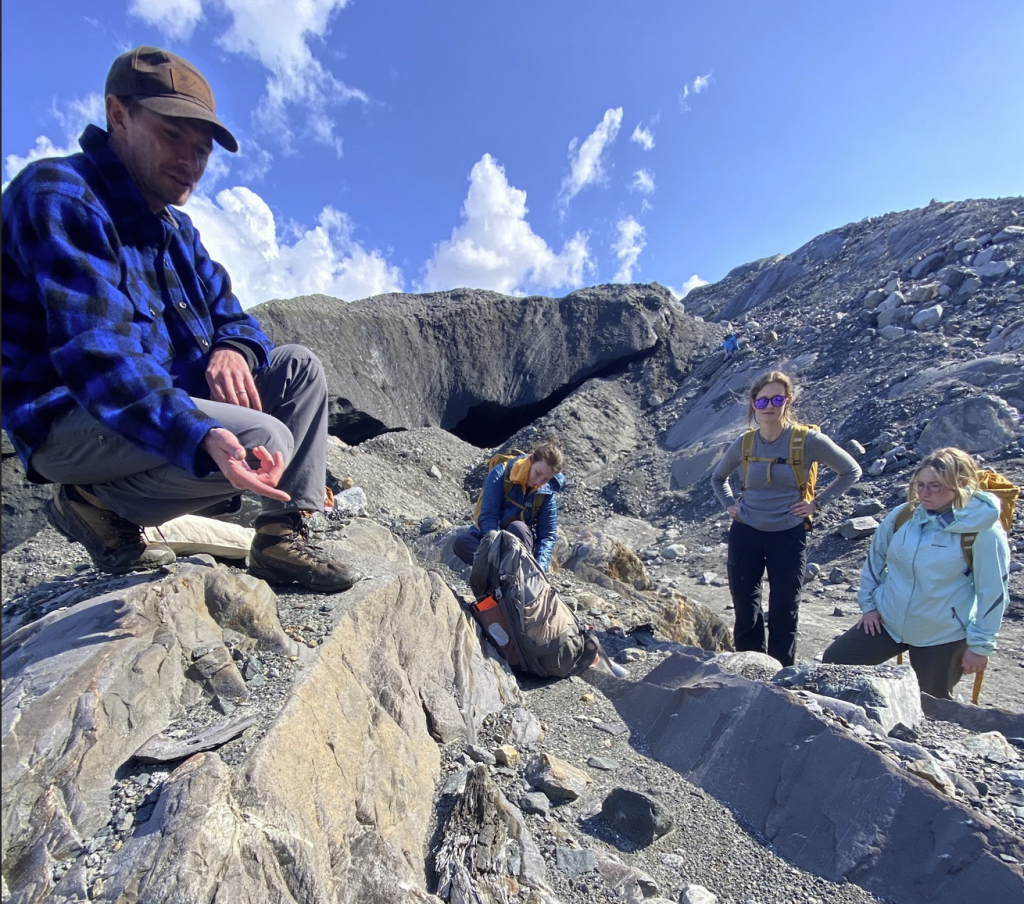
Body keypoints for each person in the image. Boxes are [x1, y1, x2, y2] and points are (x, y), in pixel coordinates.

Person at [2, 46, 358, 592]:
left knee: (299, 369)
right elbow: (99, 358)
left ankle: (280, 535)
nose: (191, 163)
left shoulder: (177, 231)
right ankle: (92, 498)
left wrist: (232, 348)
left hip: (150, 406)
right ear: (119, 114)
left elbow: (234, 316)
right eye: (173, 136)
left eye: (202, 151)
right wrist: (198, 431)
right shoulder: (60, 196)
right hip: (69, 415)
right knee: (265, 435)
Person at [823, 448, 1010, 699]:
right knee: (835, 662)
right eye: (919, 484)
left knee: (931, 703)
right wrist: (869, 606)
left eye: (935, 485)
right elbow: (874, 561)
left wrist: (980, 646)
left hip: (941, 633)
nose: (924, 493)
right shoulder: (905, 515)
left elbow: (993, 592)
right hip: (889, 621)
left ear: (962, 484)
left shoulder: (982, 532)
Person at [711, 371, 861, 666]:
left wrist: (817, 504)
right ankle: (750, 668)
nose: (769, 405)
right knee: (745, 607)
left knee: (784, 608)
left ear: (787, 401)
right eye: (763, 399)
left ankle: (781, 675)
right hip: (746, 531)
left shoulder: (807, 440)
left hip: (788, 534)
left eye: (777, 398)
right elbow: (718, 478)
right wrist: (730, 505)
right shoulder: (745, 442)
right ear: (754, 403)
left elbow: (851, 470)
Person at [453, 440, 566, 572]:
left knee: (517, 528)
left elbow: (547, 535)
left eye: (546, 479)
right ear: (531, 459)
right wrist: (494, 548)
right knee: (461, 543)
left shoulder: (547, 493)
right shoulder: (500, 473)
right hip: (493, 539)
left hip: (520, 547)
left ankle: (510, 573)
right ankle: (506, 574)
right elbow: (489, 515)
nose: (538, 481)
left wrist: (539, 569)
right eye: (538, 473)